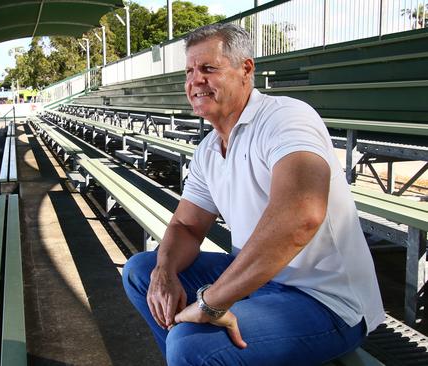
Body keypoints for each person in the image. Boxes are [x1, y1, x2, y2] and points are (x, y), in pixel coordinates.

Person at [122, 23, 385, 365]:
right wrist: (166, 272)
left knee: (192, 346)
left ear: (245, 69)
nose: (195, 80)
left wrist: (210, 302)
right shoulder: (208, 149)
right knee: (143, 271)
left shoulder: (286, 117)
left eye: (208, 69)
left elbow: (301, 217)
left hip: (324, 299)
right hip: (260, 281)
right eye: (189, 71)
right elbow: (186, 226)